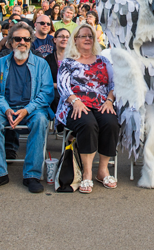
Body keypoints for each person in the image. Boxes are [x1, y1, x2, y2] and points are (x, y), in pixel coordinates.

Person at [0, 22, 53, 193]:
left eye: (26, 39)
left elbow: (46, 94)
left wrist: (27, 110)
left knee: (41, 120)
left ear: (31, 41)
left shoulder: (41, 64)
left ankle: (32, 175)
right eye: (17, 39)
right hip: (4, 108)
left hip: (32, 109)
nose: (22, 42)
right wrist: (6, 109)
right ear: (10, 42)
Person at [55, 24, 118, 193]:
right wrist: (75, 101)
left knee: (111, 122)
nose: (88, 39)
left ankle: (103, 170)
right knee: (87, 123)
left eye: (90, 36)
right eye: (83, 36)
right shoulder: (68, 62)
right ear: (75, 40)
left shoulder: (103, 61)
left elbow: (113, 84)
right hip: (74, 105)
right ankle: (87, 173)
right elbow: (63, 86)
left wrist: (110, 100)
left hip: (101, 103)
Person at [44, 28, 69, 117]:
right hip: (54, 89)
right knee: (56, 97)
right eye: (61, 36)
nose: (64, 39)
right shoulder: (48, 59)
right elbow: (45, 80)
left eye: (67, 37)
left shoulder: (75, 58)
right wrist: (58, 85)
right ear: (55, 40)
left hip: (71, 89)